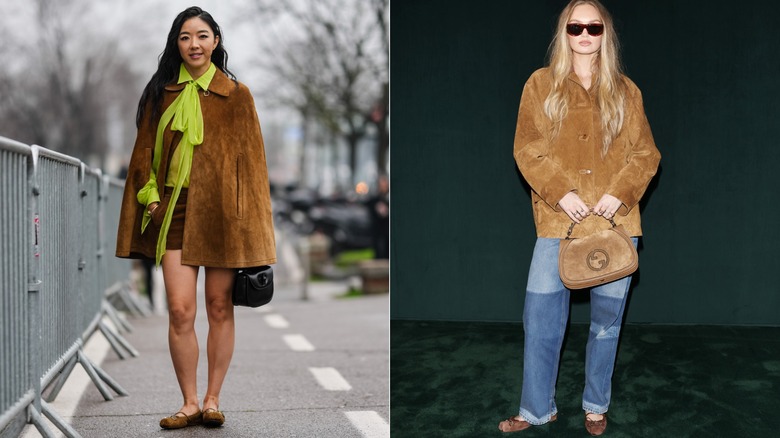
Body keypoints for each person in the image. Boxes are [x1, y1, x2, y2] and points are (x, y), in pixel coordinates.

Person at [498, 1, 660, 435]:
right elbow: (526, 149)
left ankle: (595, 404)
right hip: (557, 225)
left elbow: (646, 155)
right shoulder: (540, 85)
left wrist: (618, 195)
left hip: (616, 227)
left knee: (606, 327)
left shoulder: (627, 91)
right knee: (540, 323)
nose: (585, 34)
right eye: (575, 26)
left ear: (606, 33)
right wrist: (560, 193)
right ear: (564, 32)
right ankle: (536, 409)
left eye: (594, 26)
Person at [115, 7, 276, 430]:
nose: (194, 45)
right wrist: (152, 202)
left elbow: (254, 168)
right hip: (175, 212)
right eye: (185, 37)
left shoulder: (236, 95)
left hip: (222, 215)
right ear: (177, 44)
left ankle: (212, 399)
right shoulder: (160, 94)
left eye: (202, 36)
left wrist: (250, 225)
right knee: (180, 310)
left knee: (219, 306)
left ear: (216, 41)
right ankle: (188, 402)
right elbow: (142, 160)